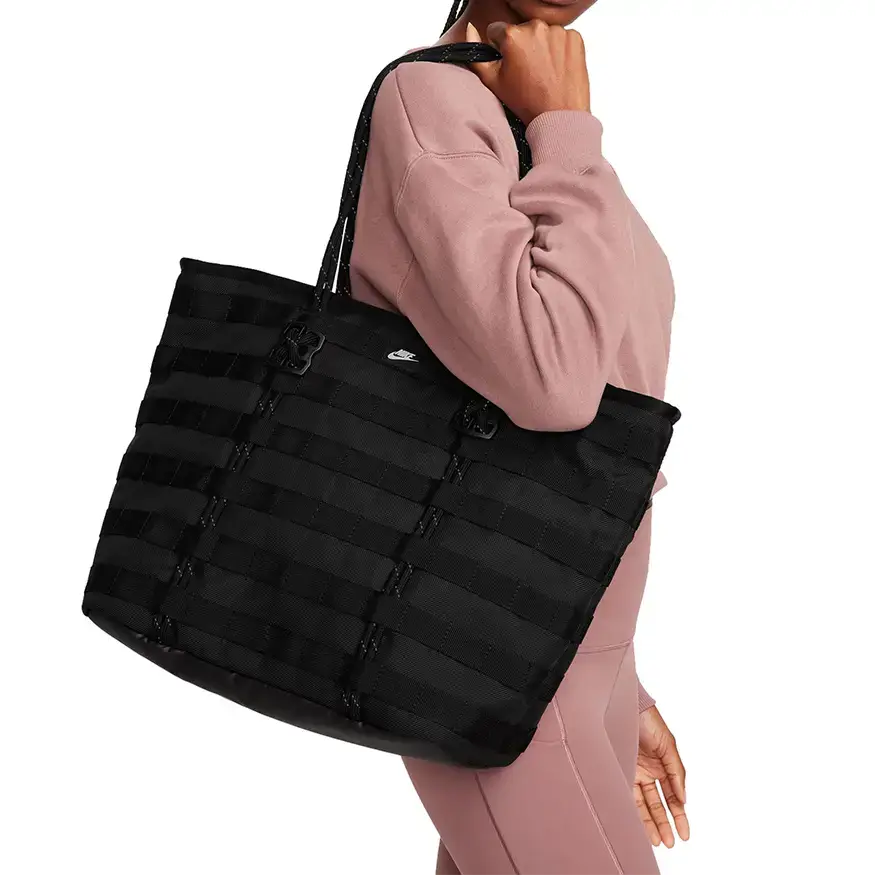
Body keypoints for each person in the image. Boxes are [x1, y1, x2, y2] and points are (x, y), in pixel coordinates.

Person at [347, 1, 689, 872]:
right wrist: (567, 132)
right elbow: (553, 383)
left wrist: (619, 677)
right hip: (482, 645)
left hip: (569, 639)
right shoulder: (432, 98)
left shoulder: (519, 117)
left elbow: (600, 417)